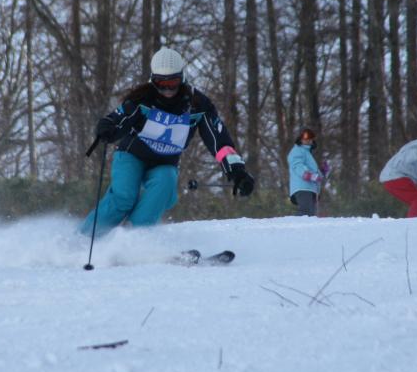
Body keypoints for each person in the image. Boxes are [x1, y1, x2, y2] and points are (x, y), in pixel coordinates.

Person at [79, 47, 255, 236]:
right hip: (131, 155)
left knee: (166, 182)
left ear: (182, 78)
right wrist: (107, 127)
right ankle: (85, 238)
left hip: (164, 163)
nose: (167, 89)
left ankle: (132, 239)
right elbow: (119, 119)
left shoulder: (197, 105)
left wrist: (236, 170)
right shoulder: (142, 99)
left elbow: (219, 140)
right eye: (161, 83)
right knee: (124, 197)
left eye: (173, 83)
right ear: (152, 80)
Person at [287, 128, 327, 216]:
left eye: (310, 138)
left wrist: (321, 172)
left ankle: (301, 225)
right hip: (302, 187)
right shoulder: (297, 150)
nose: (308, 140)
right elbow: (297, 165)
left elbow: (313, 172)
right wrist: (308, 175)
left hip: (310, 188)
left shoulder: (307, 153)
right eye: (305, 138)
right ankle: (292, 223)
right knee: (306, 212)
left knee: (310, 215)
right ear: (300, 139)